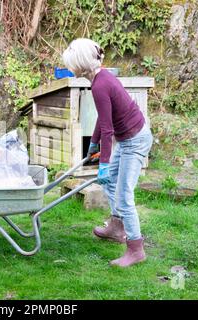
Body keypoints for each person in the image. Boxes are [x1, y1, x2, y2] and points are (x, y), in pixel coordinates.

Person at [62, 38, 153, 267]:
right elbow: (104, 119)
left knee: (124, 195)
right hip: (126, 139)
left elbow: (108, 128)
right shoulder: (101, 80)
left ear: (79, 64)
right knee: (110, 182)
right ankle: (116, 227)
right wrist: (93, 144)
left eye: (70, 64)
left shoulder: (100, 84)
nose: (69, 68)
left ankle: (135, 249)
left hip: (135, 140)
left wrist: (102, 163)